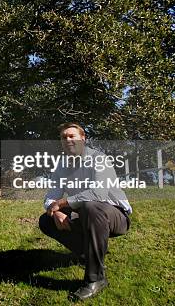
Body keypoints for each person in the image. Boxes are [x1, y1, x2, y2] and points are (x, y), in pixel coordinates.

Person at [38, 122, 131, 301]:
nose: (67, 140)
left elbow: (99, 193)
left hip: (115, 216)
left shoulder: (99, 158)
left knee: (91, 205)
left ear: (83, 138)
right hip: (87, 216)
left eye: (72, 136)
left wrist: (63, 202)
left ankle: (96, 279)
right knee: (46, 220)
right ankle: (89, 254)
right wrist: (56, 211)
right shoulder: (62, 166)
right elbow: (50, 198)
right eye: (63, 137)